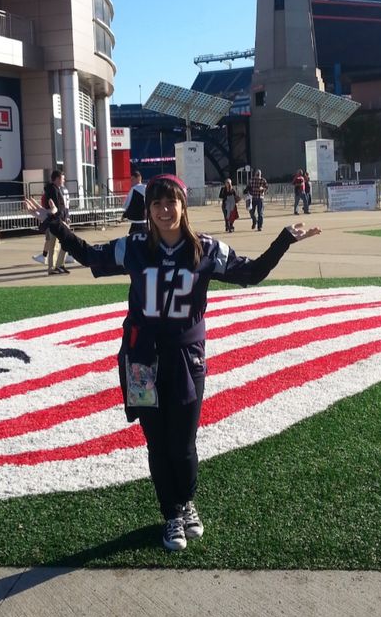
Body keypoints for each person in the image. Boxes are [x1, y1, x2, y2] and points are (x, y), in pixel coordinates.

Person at [26, 173, 321, 552]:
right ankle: (170, 514)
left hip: (186, 358)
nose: (165, 211)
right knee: (156, 442)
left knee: (182, 442)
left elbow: (252, 273)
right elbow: (88, 253)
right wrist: (54, 224)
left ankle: (185, 503)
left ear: (183, 206)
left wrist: (283, 241)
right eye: (157, 204)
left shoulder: (207, 249)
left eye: (171, 203)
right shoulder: (133, 246)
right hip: (141, 357)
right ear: (148, 210)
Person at [43, 170, 70, 274]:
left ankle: (58, 265)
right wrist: (62, 220)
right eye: (62, 178)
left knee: (62, 243)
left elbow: (62, 207)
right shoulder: (53, 190)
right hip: (56, 221)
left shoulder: (58, 189)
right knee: (54, 245)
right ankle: (53, 267)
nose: (64, 180)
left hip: (59, 220)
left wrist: (66, 217)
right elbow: (56, 208)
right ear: (57, 179)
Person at [122, 170, 148, 235]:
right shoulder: (147, 188)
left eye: (132, 179)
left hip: (135, 219)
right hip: (144, 219)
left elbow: (126, 203)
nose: (131, 181)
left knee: (132, 237)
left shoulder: (134, 189)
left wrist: (125, 214)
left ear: (138, 178)